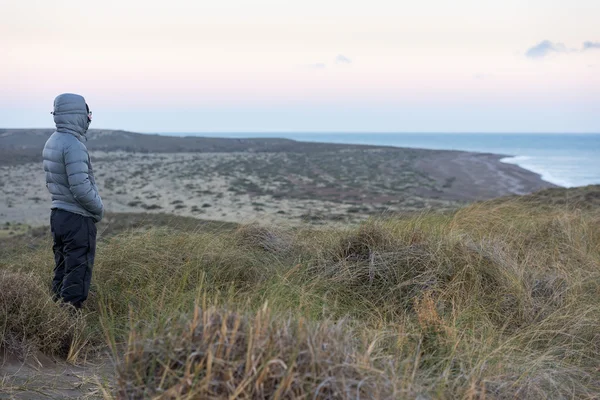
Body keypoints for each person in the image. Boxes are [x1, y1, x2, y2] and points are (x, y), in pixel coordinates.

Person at [43, 93, 104, 310]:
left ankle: (53, 318)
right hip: (77, 218)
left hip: (58, 216)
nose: (89, 117)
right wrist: (98, 209)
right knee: (77, 272)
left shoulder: (54, 140)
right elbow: (80, 187)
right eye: (87, 113)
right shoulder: (74, 144)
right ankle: (69, 327)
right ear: (77, 115)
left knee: (62, 269)